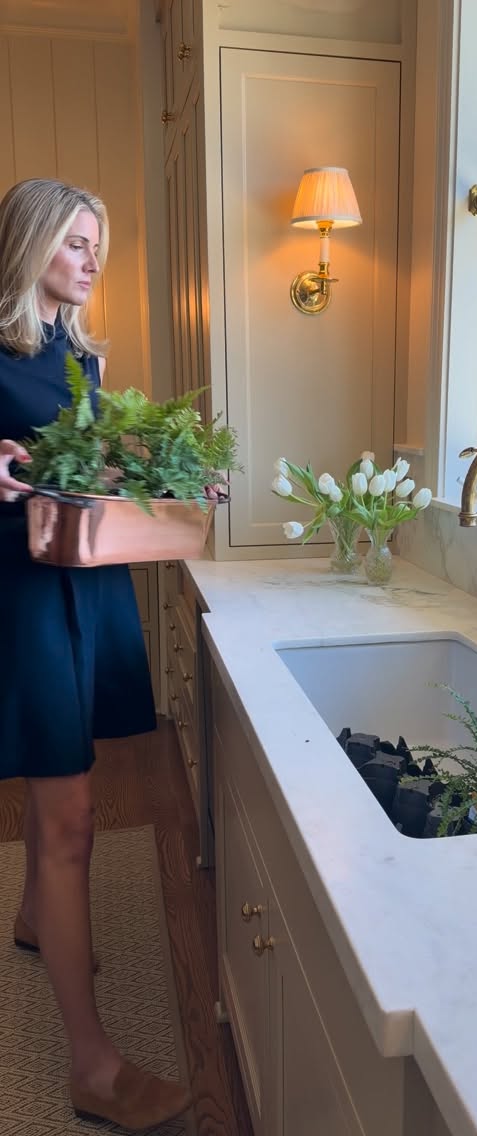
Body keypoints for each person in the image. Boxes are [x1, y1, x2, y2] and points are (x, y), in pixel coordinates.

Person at [0, 179, 192, 1130]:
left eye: (98, 244)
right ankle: (92, 1067)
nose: (92, 257)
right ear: (30, 242)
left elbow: (80, 465)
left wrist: (162, 473)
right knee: (70, 813)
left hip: (84, 580)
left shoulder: (77, 353)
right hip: (23, 602)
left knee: (66, 779)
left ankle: (37, 916)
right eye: (76, 242)